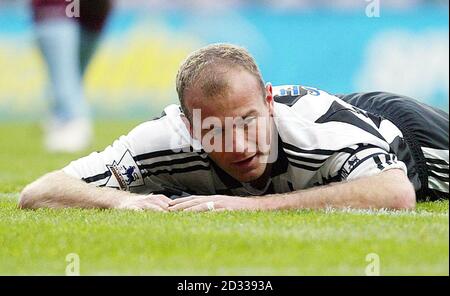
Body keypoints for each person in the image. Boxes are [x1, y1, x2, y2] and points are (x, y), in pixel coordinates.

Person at [19, 43, 449, 212]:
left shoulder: (315, 132)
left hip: (411, 139)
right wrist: (120, 204)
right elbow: (38, 193)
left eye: (248, 122)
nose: (240, 144)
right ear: (188, 124)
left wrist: (249, 208)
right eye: (217, 130)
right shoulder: (165, 138)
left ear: (268, 101)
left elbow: (396, 193)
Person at [32, 0, 111, 152]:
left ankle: (66, 119)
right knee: (64, 75)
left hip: (93, 11)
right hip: (55, 8)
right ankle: (70, 119)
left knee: (72, 75)